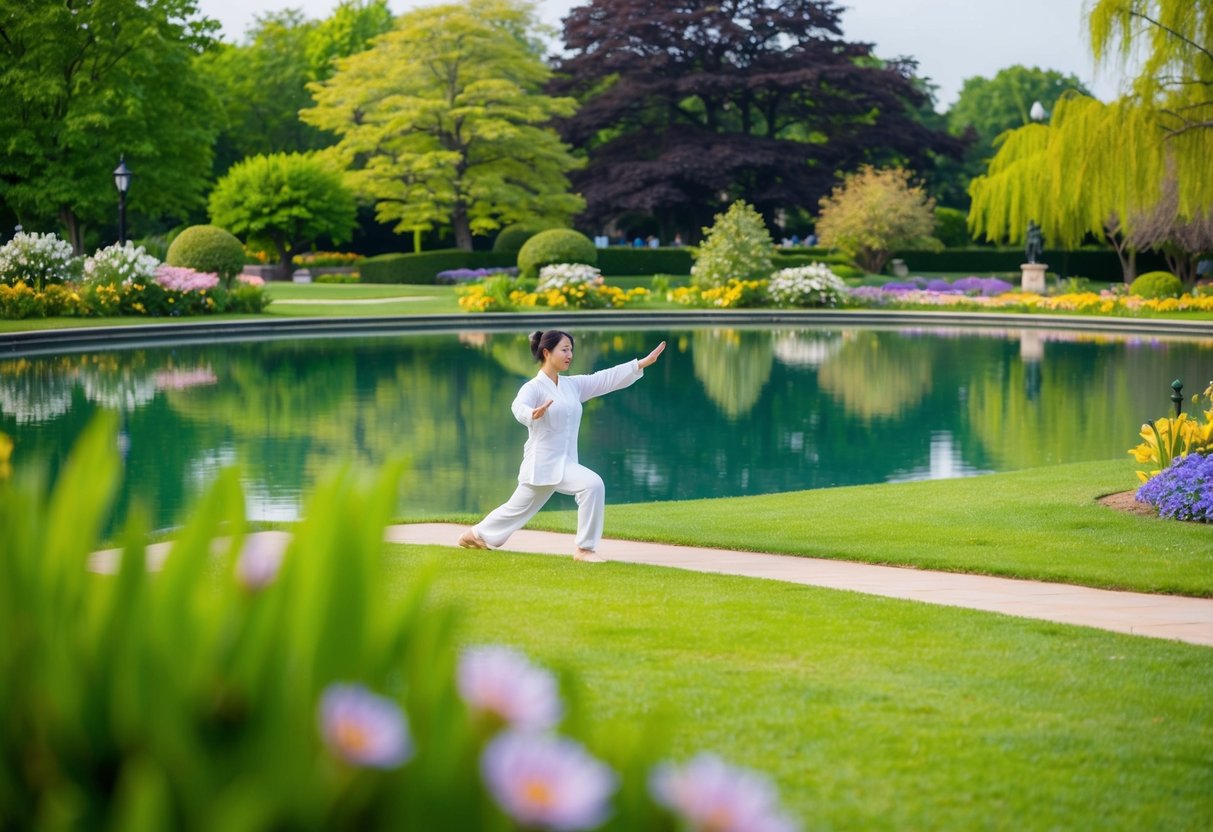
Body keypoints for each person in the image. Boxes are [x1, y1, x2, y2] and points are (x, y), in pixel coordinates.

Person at [459, 330, 666, 562]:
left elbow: (604, 378)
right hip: (542, 462)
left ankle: (476, 534)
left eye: (571, 350)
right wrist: (532, 413)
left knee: (574, 491)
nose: (570, 355)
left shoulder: (572, 385)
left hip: (564, 462)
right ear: (547, 352)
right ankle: (583, 549)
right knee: (536, 502)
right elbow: (518, 406)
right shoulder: (533, 387)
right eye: (564, 350)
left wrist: (640, 364)